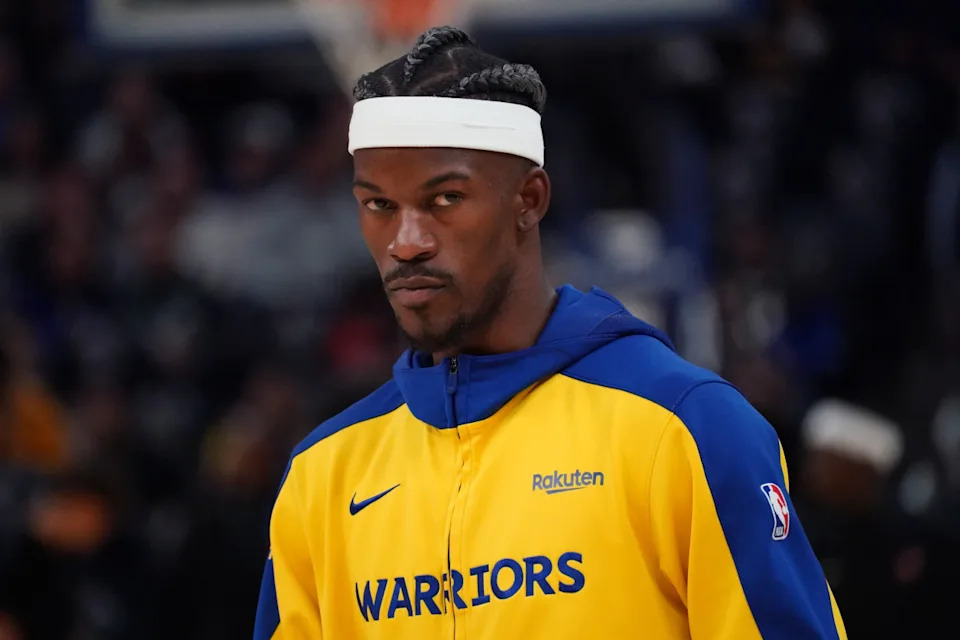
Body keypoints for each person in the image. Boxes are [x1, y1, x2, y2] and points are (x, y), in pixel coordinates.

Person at [253, 26, 847, 639]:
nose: (406, 243)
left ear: (529, 200)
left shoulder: (686, 429)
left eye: (445, 199)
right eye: (379, 206)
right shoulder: (322, 476)